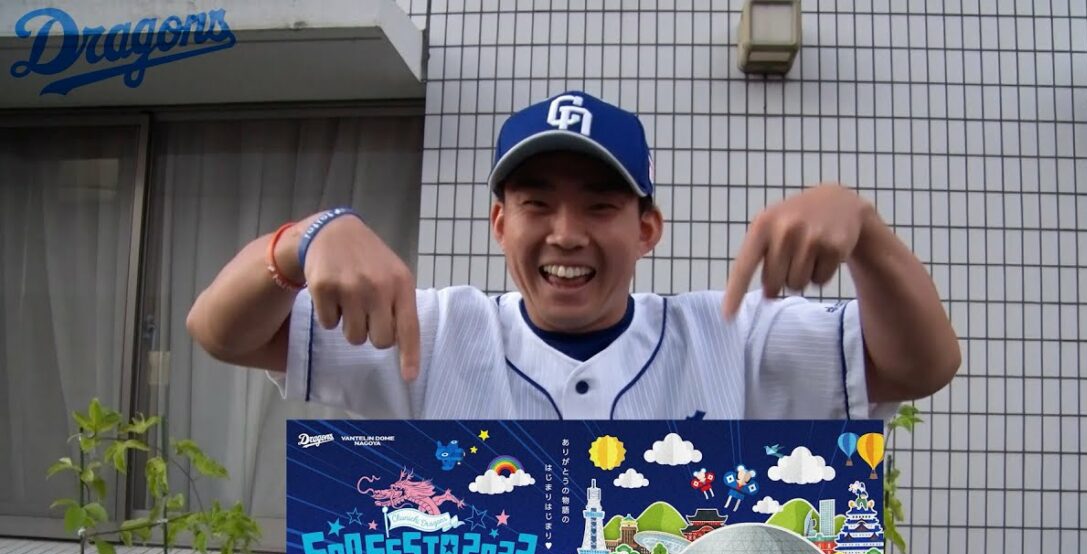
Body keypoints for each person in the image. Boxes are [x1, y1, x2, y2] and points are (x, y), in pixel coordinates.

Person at [187, 91, 960, 420]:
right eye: (536, 203)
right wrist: (301, 241)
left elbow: (921, 366)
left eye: (600, 204)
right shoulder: (431, 332)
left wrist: (866, 230)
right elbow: (222, 332)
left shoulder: (733, 334)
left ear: (648, 229)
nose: (565, 232)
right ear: (499, 223)